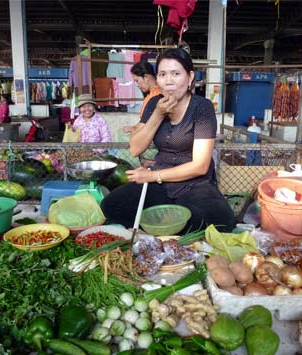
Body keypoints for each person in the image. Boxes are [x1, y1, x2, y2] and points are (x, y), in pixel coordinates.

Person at [101, 48, 236, 233]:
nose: (169, 81)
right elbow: (135, 148)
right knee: (111, 205)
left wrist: (152, 176)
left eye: (176, 73)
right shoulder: (153, 103)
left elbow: (200, 166)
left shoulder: (201, 107)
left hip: (194, 183)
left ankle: (162, 226)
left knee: (222, 220)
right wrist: (158, 114)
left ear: (189, 77)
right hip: (160, 181)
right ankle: (166, 224)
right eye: (163, 74)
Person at [123, 61, 162, 135]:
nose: (137, 85)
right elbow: (145, 120)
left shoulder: (157, 97)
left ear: (146, 77)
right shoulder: (150, 95)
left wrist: (134, 130)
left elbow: (148, 126)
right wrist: (133, 127)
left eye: (137, 81)